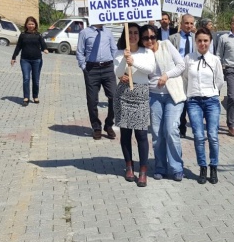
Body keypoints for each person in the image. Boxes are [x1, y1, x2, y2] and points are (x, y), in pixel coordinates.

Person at [140, 25, 187, 182]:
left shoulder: (166, 45)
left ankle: (177, 168)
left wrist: (166, 75)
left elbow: (181, 65)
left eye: (152, 37)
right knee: (157, 134)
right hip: (154, 96)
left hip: (173, 95)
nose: (149, 41)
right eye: (146, 38)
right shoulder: (142, 53)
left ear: (156, 36)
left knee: (171, 129)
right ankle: (160, 167)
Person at [114, 23, 156, 187]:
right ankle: (129, 166)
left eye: (135, 33)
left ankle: (143, 170)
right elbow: (118, 73)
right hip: (123, 95)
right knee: (125, 133)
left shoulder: (147, 52)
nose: (132, 36)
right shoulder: (120, 52)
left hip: (141, 94)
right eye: (129, 32)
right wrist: (125, 60)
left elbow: (150, 69)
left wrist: (133, 61)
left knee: (141, 134)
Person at [183, 27, 224, 184]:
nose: (202, 43)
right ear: (195, 41)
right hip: (194, 101)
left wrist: (212, 91)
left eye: (205, 40)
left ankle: (213, 166)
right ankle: (202, 167)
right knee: (199, 136)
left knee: (212, 135)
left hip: (211, 100)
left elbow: (220, 80)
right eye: (199, 40)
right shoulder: (189, 58)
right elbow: (185, 78)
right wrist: (188, 94)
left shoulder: (215, 60)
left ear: (210, 42)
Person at [76, 22, 118, 140]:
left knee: (115, 97)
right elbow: (80, 51)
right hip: (91, 69)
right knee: (92, 100)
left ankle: (108, 125)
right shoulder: (84, 33)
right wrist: (84, 67)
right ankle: (96, 127)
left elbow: (114, 50)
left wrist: (116, 66)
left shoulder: (108, 32)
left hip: (108, 68)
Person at [11, 16, 49, 106]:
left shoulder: (38, 35)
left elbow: (43, 44)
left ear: (35, 25)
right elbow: (18, 46)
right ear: (26, 25)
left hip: (37, 60)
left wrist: (45, 49)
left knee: (36, 80)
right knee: (26, 79)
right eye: (29, 24)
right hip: (25, 60)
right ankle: (26, 97)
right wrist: (14, 57)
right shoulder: (23, 35)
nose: (31, 26)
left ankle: (35, 96)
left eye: (32, 24)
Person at [169, 14, 196, 137]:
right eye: (186, 23)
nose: (189, 26)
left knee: (192, 100)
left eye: (191, 23)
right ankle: (181, 127)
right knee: (180, 99)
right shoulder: (173, 38)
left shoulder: (196, 38)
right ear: (181, 23)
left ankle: (195, 128)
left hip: (192, 73)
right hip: (178, 74)